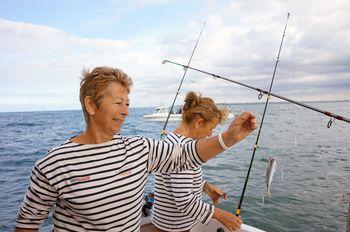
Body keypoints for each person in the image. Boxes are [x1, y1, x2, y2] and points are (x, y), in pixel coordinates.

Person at [15, 66, 257, 232]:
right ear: (91, 104)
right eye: (118, 103)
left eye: (128, 103)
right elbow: (27, 224)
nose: (126, 111)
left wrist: (228, 138)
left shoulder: (139, 148)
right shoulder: (53, 163)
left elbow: (187, 155)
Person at [151, 92, 239, 232]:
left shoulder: (173, 138)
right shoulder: (182, 149)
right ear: (199, 123)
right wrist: (219, 215)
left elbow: (174, 179)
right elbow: (184, 202)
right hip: (174, 226)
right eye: (211, 129)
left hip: (165, 221)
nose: (210, 134)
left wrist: (205, 186)